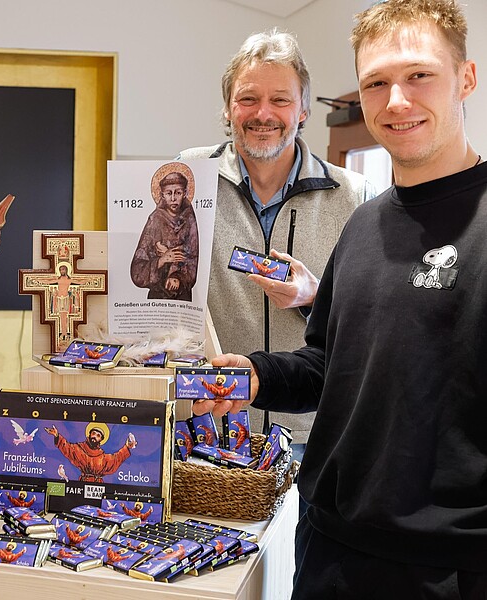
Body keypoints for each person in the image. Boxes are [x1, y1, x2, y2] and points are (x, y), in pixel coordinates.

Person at [197, 1, 487, 597]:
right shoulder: (365, 224)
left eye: (419, 75)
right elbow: (331, 364)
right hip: (332, 550)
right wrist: (253, 376)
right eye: (375, 83)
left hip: (449, 566)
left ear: (465, 78)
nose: (396, 101)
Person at [176, 29, 374, 448]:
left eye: (280, 100)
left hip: (312, 432)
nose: (262, 113)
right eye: (248, 98)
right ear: (229, 109)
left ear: (302, 109)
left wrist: (314, 295)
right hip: (208, 422)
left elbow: (373, 323)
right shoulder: (188, 177)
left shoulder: (354, 195)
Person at [130, 166, 199, 301]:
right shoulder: (155, 220)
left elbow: (193, 258)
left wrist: (177, 276)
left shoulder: (190, 219)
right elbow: (137, 269)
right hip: (158, 297)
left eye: (178, 193)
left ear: (185, 193)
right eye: (169, 193)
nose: (173, 198)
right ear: (162, 195)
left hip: (182, 297)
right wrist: (163, 259)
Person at [43, 423, 136, 482]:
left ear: (101, 439)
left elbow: (116, 459)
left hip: (97, 485)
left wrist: (127, 446)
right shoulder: (79, 449)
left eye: (98, 435)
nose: (95, 436)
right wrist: (56, 435)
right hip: (83, 482)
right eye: (93, 433)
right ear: (89, 434)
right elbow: (67, 448)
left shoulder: (103, 457)